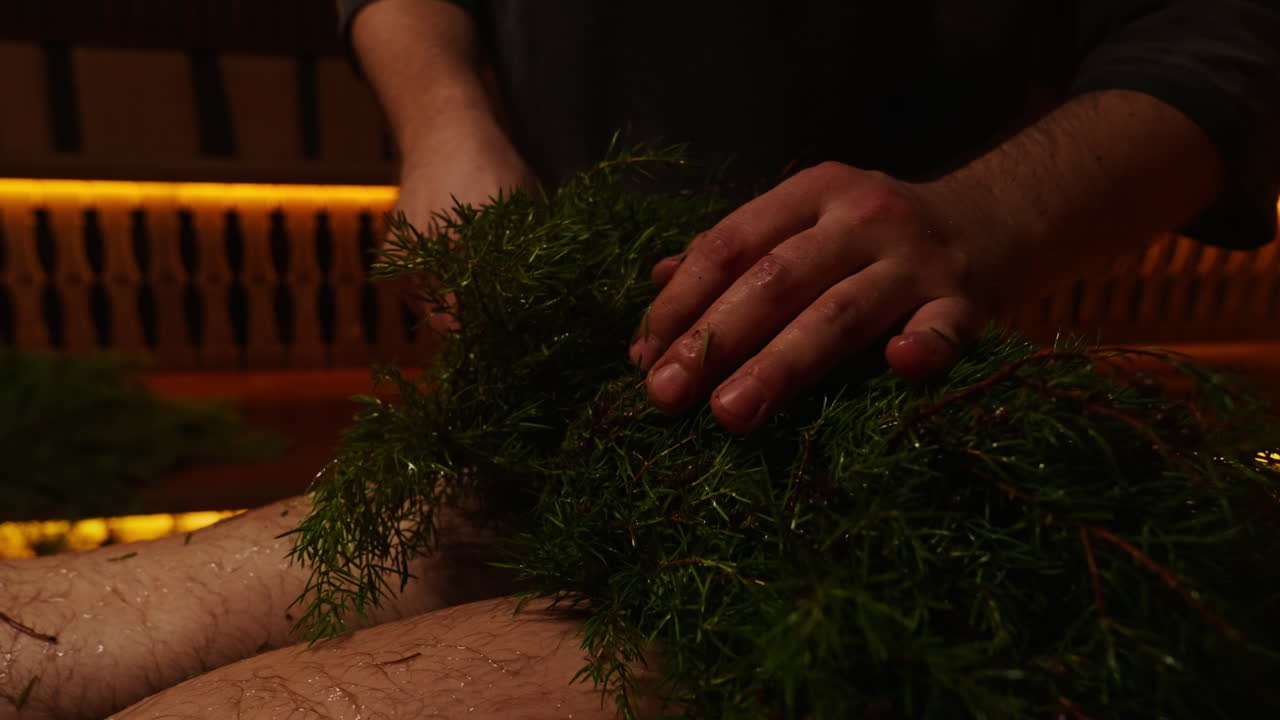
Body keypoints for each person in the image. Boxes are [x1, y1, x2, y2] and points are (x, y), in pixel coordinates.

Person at [3, 1, 1278, 717]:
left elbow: (1220, 37)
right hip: (547, 422)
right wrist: (442, 113)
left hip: (877, 432)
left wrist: (983, 216)